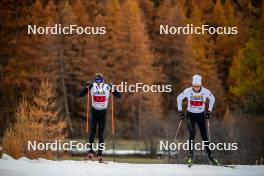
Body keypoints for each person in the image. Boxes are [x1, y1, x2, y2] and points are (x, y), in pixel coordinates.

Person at [177, 75, 219, 166]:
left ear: (200, 85)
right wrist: (180, 111)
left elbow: (213, 99)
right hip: (190, 115)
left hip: (200, 115)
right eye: (194, 86)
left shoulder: (205, 91)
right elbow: (179, 98)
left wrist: (209, 111)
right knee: (192, 133)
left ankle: (211, 157)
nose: (196, 88)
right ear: (192, 85)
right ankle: (191, 156)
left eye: (198, 86)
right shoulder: (188, 91)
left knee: (205, 137)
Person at [79, 73, 121, 162]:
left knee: (101, 134)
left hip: (103, 113)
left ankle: (100, 154)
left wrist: (113, 88)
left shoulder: (107, 87)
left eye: (100, 80)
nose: (98, 82)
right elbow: (81, 95)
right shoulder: (92, 86)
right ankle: (90, 153)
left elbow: (118, 96)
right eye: (96, 80)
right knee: (92, 132)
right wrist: (86, 87)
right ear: (95, 81)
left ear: (103, 80)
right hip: (94, 112)